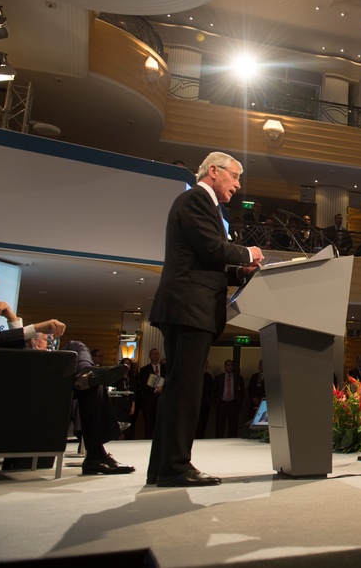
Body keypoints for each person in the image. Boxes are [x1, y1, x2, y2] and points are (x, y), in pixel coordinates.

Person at [146, 152, 264, 488]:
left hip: (190, 308)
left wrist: (238, 271)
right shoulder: (196, 198)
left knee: (177, 392)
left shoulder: (206, 205)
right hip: (188, 309)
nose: (237, 185)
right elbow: (211, 248)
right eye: (234, 176)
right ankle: (176, 467)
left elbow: (206, 258)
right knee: (184, 392)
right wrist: (247, 254)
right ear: (214, 171)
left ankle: (162, 467)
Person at [0, 276, 132, 474]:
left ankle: (86, 376)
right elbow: (17, 353)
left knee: (79, 356)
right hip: (15, 395)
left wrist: (12, 318)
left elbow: (18, 353)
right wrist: (26, 323)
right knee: (86, 380)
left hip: (22, 389)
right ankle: (96, 454)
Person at [212, 359, 245, 438]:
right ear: (225, 367)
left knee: (233, 426)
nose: (229, 367)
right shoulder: (219, 377)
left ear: (233, 367)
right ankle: (218, 442)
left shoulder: (238, 378)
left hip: (233, 404)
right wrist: (216, 403)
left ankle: (232, 443)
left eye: (231, 365)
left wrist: (238, 402)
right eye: (227, 365)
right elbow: (213, 391)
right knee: (220, 426)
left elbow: (242, 392)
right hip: (221, 404)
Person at [136, 348, 163, 439]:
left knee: (161, 425)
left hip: (163, 401)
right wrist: (155, 390)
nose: (155, 356)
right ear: (149, 356)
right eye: (153, 354)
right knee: (149, 425)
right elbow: (142, 385)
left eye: (157, 354)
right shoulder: (144, 369)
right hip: (149, 401)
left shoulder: (166, 368)